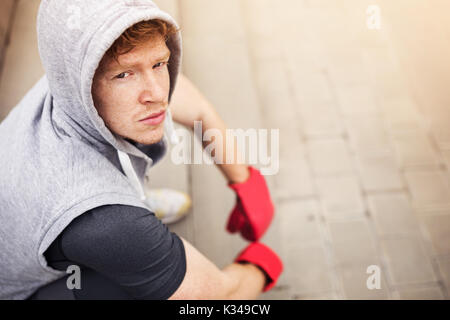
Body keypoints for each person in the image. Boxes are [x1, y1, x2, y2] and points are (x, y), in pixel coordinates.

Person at [0, 0, 282, 300]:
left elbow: (198, 110)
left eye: (159, 64)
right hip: (22, 287)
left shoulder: (72, 72)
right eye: (124, 75)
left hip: (38, 217)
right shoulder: (102, 220)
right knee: (136, 283)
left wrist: (244, 179)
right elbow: (216, 298)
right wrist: (261, 264)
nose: (159, 94)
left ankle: (134, 201)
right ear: (82, 85)